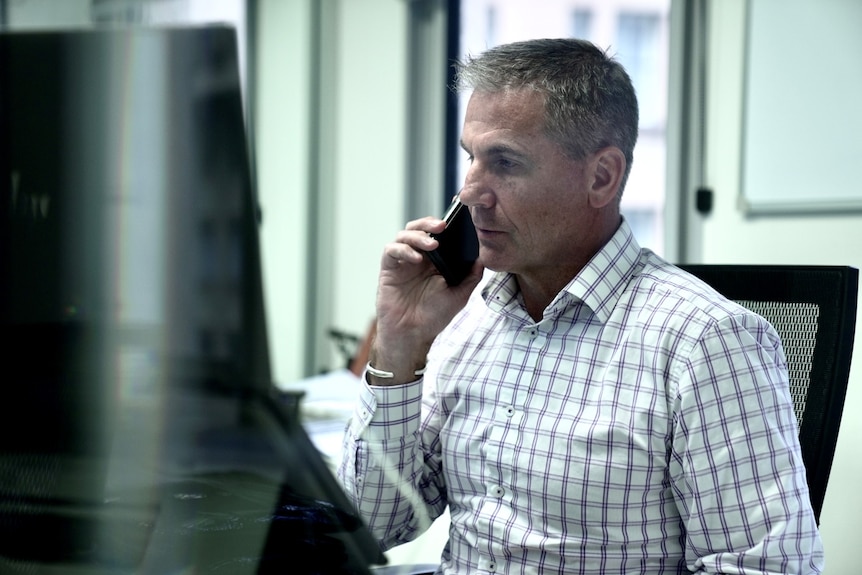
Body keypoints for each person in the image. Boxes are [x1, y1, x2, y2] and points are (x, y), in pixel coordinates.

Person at [337, 38, 823, 574]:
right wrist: (401, 345)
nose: (471, 190)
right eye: (472, 157)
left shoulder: (706, 342)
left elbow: (769, 568)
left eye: (505, 162)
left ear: (601, 177)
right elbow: (373, 524)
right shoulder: (469, 318)